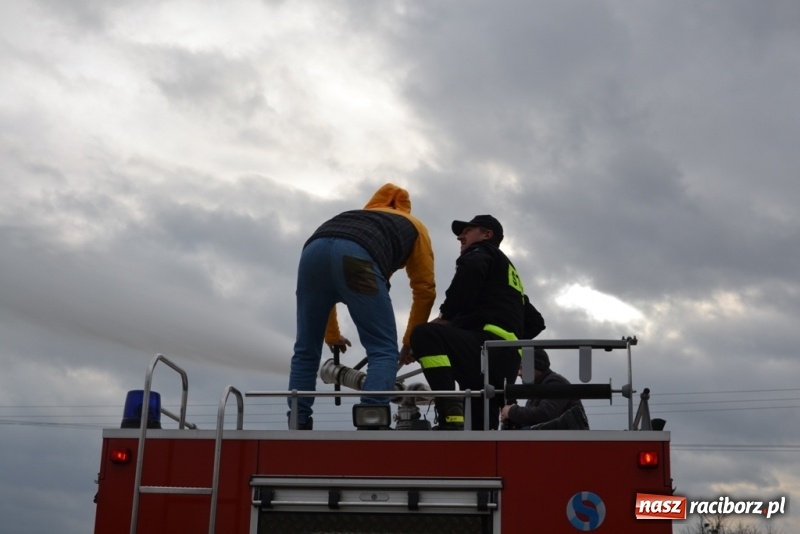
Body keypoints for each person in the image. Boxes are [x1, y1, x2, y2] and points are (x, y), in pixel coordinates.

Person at [287, 183, 436, 429]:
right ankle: (372, 421)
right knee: (383, 350)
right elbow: (424, 289)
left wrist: (332, 336)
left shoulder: (356, 216)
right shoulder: (415, 226)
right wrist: (411, 341)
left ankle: (297, 422)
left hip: (313, 251)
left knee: (305, 350)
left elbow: (327, 283)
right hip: (358, 257)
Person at [404, 214, 545, 430]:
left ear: (487, 235)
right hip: (506, 361)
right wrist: (507, 342)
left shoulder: (482, 252)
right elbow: (535, 321)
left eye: (469, 230)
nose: (461, 236)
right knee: (479, 431)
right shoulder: (508, 277)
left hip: (486, 349)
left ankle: (450, 413)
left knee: (425, 334)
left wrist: (445, 319)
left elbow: (470, 274)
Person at [500, 348, 588, 430]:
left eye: (523, 368)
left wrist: (512, 411)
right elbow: (535, 421)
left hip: (569, 441)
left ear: (537, 367)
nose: (519, 373)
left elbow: (545, 415)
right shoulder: (538, 387)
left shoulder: (556, 382)